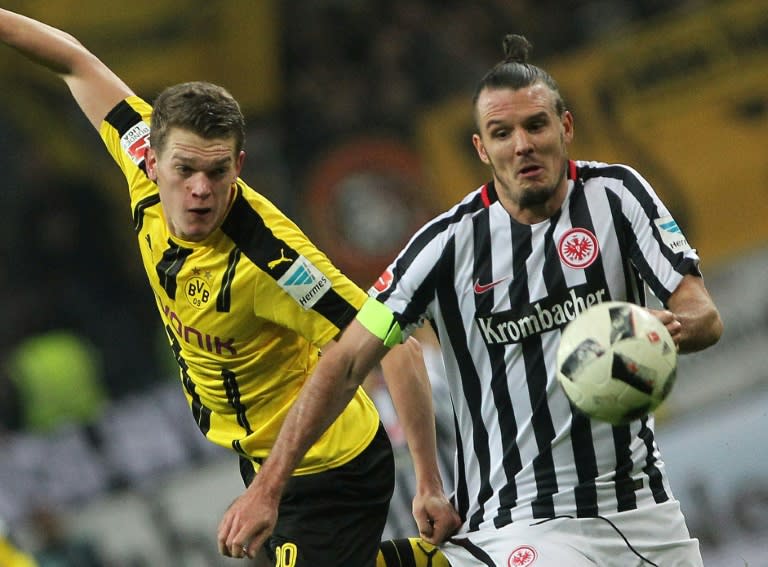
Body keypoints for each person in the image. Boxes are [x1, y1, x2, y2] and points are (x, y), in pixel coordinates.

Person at [245, 34, 724, 566]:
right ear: (481, 147)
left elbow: (702, 311)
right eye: (502, 133)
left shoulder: (617, 196)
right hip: (519, 524)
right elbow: (348, 359)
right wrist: (268, 488)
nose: (522, 145)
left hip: (645, 511)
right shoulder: (444, 247)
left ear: (564, 127)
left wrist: (667, 332)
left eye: (535, 125)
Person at [0, 9, 457, 566]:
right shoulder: (140, 155)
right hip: (260, 456)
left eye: (217, 173)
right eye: (185, 169)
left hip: (326, 466)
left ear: (238, 165)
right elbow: (72, 58)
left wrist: (428, 483)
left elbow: (398, 345)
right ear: (152, 159)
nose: (199, 190)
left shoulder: (272, 260)